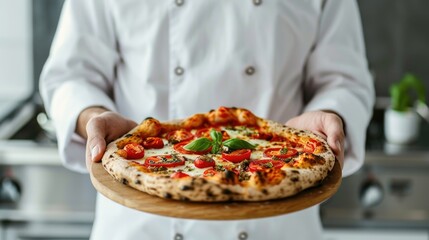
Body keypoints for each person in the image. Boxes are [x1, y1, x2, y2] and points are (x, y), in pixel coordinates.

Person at [40, 0, 374, 239]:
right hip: (142, 221)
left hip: (277, 220)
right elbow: (72, 75)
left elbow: (343, 79)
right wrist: (92, 116)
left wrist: (332, 114)